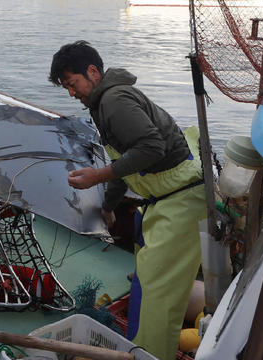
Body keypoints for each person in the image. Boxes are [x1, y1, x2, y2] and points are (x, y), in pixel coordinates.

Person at [49, 40, 207, 359]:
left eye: (72, 83)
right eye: (65, 87)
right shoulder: (103, 102)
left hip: (181, 198)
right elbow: (126, 160)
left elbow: (151, 148)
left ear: (93, 72)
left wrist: (97, 176)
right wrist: (108, 207)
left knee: (156, 296)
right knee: (149, 284)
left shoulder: (114, 99)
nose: (71, 93)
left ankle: (151, 355)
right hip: (165, 197)